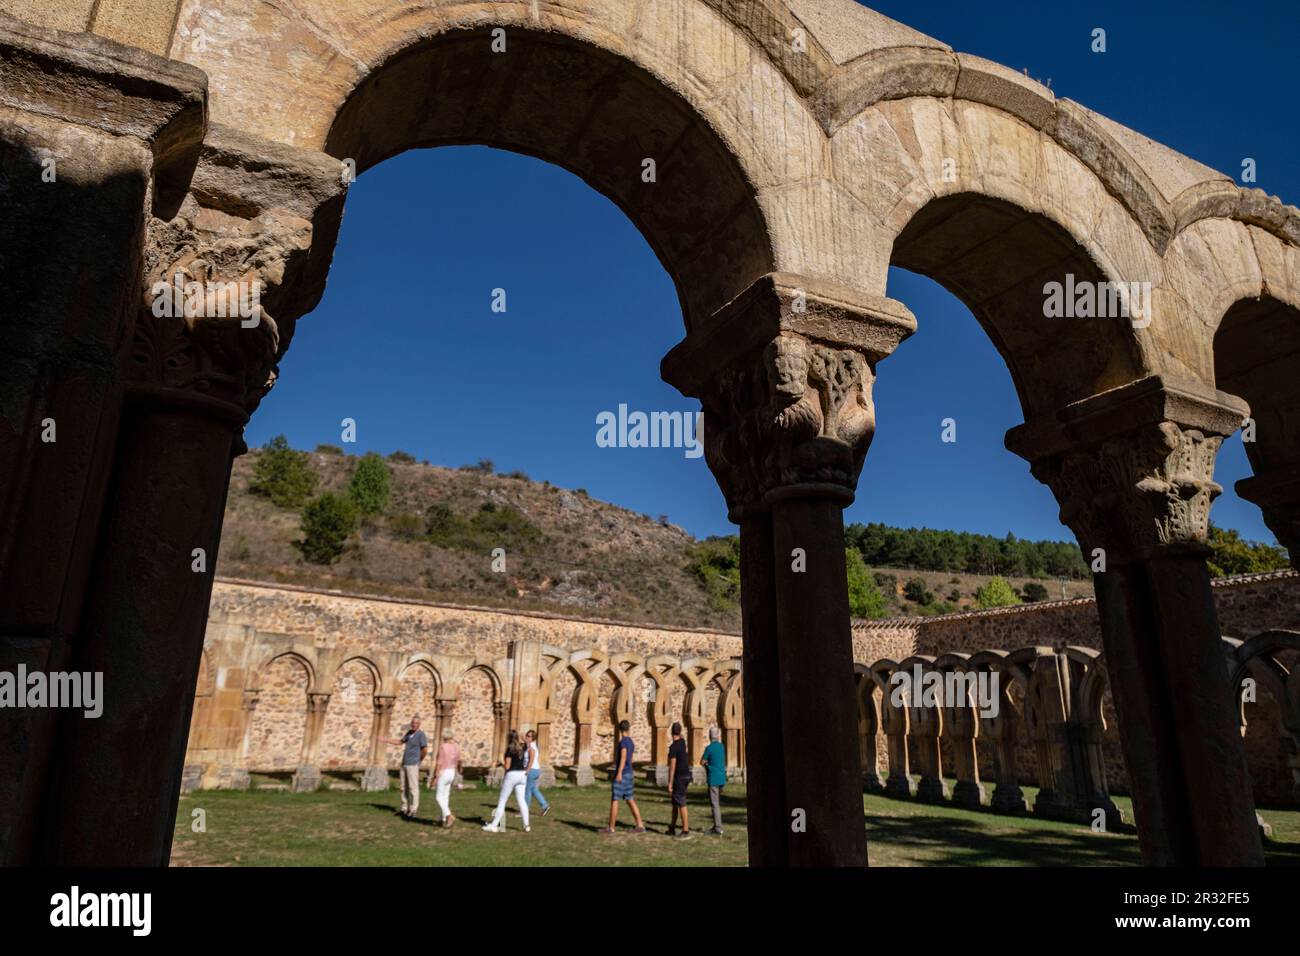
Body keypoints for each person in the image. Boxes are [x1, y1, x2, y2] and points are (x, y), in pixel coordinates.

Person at [598, 720, 644, 834]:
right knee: (630, 799)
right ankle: (640, 825)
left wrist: (618, 773)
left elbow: (623, 757)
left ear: (620, 730)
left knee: (615, 799)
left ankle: (611, 828)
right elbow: (630, 759)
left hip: (622, 774)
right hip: (629, 773)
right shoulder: (631, 742)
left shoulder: (623, 743)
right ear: (628, 729)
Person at [483, 730, 530, 833]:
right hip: (522, 775)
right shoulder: (522, 747)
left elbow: (508, 766)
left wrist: (500, 763)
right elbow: (528, 742)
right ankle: (526, 825)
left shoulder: (510, 749)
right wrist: (522, 736)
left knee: (502, 801)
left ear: (508, 738)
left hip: (512, 775)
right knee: (522, 801)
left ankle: (494, 825)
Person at [384, 716, 428, 819]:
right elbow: (400, 742)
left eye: (416, 723)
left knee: (413, 788)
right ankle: (404, 808)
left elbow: (424, 749)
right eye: (413, 723)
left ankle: (413, 810)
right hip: (404, 763)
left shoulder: (421, 735)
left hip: (413, 764)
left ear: (419, 724)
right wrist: (386, 740)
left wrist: (419, 760)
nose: (414, 724)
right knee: (403, 787)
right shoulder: (409, 733)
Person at [665, 722, 692, 839]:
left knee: (681, 803)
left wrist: (670, 783)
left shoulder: (674, 747)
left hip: (679, 777)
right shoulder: (682, 743)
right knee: (675, 803)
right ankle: (672, 827)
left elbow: (672, 766)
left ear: (671, 733)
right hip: (686, 775)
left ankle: (685, 831)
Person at [700, 724, 727, 835]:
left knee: (715, 804)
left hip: (713, 779)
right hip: (722, 778)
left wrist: (707, 765)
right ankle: (717, 825)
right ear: (718, 735)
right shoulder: (721, 747)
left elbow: (702, 761)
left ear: (710, 736)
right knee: (717, 804)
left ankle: (718, 828)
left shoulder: (709, 748)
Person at [433, 728, 462, 828]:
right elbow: (459, 759)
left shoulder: (443, 747)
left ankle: (449, 815)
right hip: (452, 771)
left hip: (444, 772)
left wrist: (436, 776)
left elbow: (439, 762)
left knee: (438, 797)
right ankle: (443, 819)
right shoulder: (456, 746)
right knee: (445, 796)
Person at [523, 729, 551, 817]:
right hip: (535, 770)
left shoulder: (532, 747)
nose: (527, 737)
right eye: (527, 735)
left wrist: (527, 770)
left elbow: (531, 760)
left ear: (533, 738)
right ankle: (545, 805)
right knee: (533, 789)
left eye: (529, 736)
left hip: (531, 770)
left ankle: (525, 810)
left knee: (527, 790)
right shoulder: (530, 745)